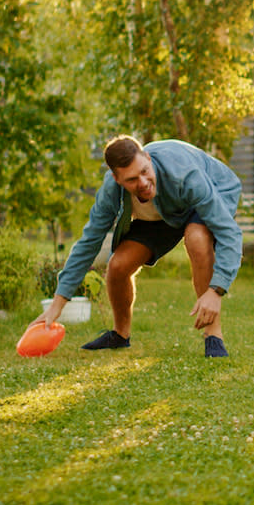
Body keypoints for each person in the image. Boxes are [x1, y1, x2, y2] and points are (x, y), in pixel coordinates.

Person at [32, 135, 242, 357]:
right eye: (132, 179)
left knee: (197, 238)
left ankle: (213, 336)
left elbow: (229, 232)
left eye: (144, 171)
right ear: (117, 178)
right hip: (165, 212)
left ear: (148, 158)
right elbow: (89, 242)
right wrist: (57, 303)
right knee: (118, 265)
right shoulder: (110, 191)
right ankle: (120, 335)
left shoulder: (184, 175)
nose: (142, 183)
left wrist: (215, 290)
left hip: (215, 189)